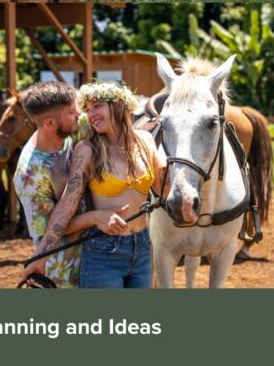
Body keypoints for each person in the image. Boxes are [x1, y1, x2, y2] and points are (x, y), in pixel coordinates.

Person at [20, 81, 166, 289]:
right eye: (87, 110)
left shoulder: (146, 141)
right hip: (104, 251)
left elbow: (164, 190)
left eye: (96, 106)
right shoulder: (87, 150)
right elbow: (66, 205)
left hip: (142, 246)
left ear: (118, 104)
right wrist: (41, 256)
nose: (90, 114)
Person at [13, 81, 87, 287]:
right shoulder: (30, 174)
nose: (79, 114)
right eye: (72, 112)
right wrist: (96, 217)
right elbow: (52, 229)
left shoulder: (71, 128)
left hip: (94, 260)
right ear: (50, 123)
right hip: (61, 273)